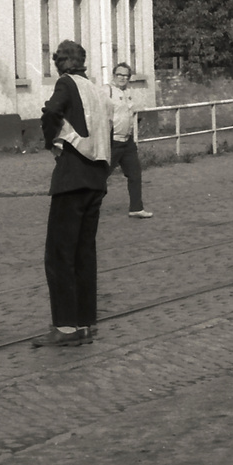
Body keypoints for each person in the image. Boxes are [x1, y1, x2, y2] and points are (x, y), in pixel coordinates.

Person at [35, 39, 110, 348]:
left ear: (60, 64)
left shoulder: (66, 84)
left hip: (72, 178)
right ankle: (85, 322)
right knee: (84, 253)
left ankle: (65, 327)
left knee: (59, 254)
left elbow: (51, 111)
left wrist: (50, 140)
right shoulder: (95, 89)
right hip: (96, 178)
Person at [107, 62, 151, 218]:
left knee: (135, 174)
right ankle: (84, 207)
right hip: (112, 141)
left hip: (127, 141)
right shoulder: (107, 91)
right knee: (101, 176)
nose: (122, 78)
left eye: (126, 76)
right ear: (114, 75)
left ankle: (136, 208)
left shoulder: (129, 93)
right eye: (119, 75)